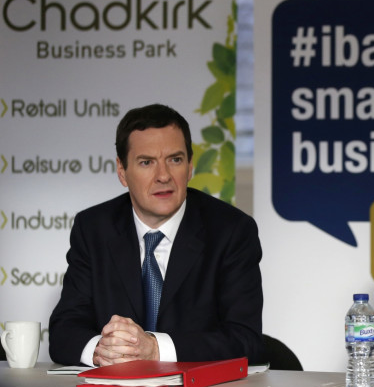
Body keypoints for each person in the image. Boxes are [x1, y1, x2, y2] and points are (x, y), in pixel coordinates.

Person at [49, 104, 265, 367]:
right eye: (146, 162)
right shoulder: (93, 228)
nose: (163, 176)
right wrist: (101, 350)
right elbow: (64, 331)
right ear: (122, 171)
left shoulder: (231, 231)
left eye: (175, 159)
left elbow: (246, 341)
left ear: (191, 166)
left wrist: (154, 349)